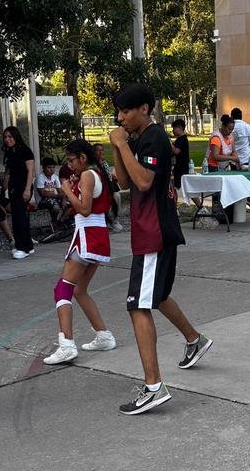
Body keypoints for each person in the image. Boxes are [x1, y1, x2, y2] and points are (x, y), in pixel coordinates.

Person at [109, 83, 212, 415]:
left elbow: (142, 182)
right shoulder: (137, 139)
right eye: (118, 112)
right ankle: (194, 339)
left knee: (137, 306)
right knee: (158, 296)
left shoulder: (153, 137)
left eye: (125, 111)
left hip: (154, 233)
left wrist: (122, 144)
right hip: (152, 231)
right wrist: (118, 146)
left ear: (143, 109)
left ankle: (153, 386)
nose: (120, 117)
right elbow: (124, 183)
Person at [42, 139, 117, 365]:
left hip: (87, 236)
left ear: (83, 158)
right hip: (97, 236)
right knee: (80, 290)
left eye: (72, 160)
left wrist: (66, 189)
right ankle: (103, 335)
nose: (70, 165)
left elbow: (83, 209)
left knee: (62, 289)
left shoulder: (87, 175)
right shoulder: (96, 174)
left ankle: (66, 344)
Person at [2, 126, 36, 260]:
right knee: (19, 216)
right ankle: (27, 244)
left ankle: (23, 247)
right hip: (13, 187)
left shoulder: (25, 151)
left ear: (16, 136)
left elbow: (30, 171)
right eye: (5, 137)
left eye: (10, 137)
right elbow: (8, 171)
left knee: (19, 217)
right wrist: (4, 183)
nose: (7, 140)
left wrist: (27, 189)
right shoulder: (9, 152)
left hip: (23, 187)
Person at [93, 142, 125, 234]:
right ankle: (105, 220)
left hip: (108, 186)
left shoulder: (105, 162)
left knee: (117, 196)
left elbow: (108, 175)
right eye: (98, 150)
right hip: (99, 187)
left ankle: (114, 219)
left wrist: (112, 176)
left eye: (102, 150)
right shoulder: (93, 164)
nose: (101, 152)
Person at [171, 118, 191, 184]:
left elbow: (176, 151)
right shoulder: (179, 139)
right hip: (178, 167)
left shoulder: (182, 139)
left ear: (179, 128)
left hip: (182, 168)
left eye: (174, 128)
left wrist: (169, 143)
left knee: (179, 186)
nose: (173, 131)